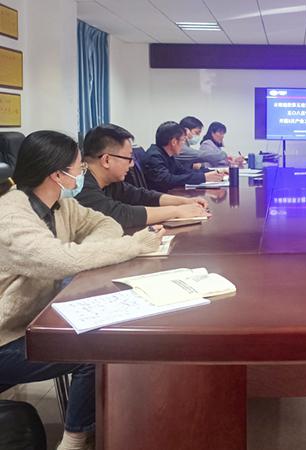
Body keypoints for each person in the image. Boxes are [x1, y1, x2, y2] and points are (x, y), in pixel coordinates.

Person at [0, 131, 163, 450]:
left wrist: (85, 252)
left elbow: (106, 225)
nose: (82, 174)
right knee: (93, 351)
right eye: (79, 168)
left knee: (104, 333)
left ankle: (101, 424)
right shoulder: (11, 216)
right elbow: (61, 261)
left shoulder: (59, 205)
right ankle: (75, 440)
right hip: (6, 339)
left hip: (33, 322)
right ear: (57, 174)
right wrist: (132, 246)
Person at [76, 124, 210, 229]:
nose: (132, 164)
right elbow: (120, 215)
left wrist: (185, 202)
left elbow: (142, 195)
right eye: (129, 158)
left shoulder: (108, 181)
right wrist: (177, 211)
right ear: (106, 160)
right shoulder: (80, 185)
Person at [143, 121, 224, 192]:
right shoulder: (154, 156)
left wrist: (210, 172)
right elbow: (167, 180)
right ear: (174, 142)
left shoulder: (168, 155)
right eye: (183, 140)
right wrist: (203, 177)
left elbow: (184, 171)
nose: (183, 145)